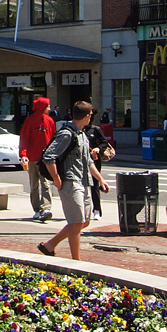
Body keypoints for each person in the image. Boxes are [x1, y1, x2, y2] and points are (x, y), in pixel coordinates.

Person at [38, 101, 109, 262]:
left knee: (84, 222)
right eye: (90, 114)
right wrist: (56, 178)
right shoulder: (67, 133)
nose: (91, 117)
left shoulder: (82, 134)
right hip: (70, 182)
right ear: (87, 116)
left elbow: (88, 162)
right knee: (76, 222)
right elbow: (49, 156)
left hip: (84, 182)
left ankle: (50, 245)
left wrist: (101, 179)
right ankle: (76, 261)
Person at [18, 96, 56, 224]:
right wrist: (23, 154)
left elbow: (53, 139)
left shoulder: (50, 121)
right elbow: (24, 138)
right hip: (33, 158)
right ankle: (36, 209)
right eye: (48, 106)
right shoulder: (29, 121)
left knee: (45, 184)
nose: (50, 108)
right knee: (34, 185)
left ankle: (45, 209)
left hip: (45, 159)